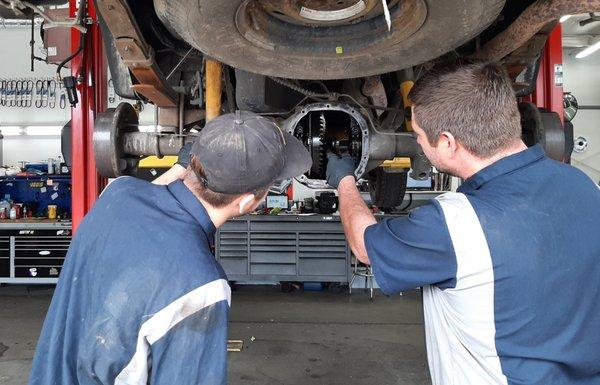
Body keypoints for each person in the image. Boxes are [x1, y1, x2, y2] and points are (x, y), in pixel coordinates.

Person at [326, 62, 600, 385]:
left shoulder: (457, 224)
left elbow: (364, 244)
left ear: (448, 143)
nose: (418, 145)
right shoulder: (585, 186)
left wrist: (344, 180)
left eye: (418, 136)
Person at [28, 111, 311, 385]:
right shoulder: (200, 286)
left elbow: (152, 194)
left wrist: (182, 166)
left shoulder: (117, 194)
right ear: (247, 203)